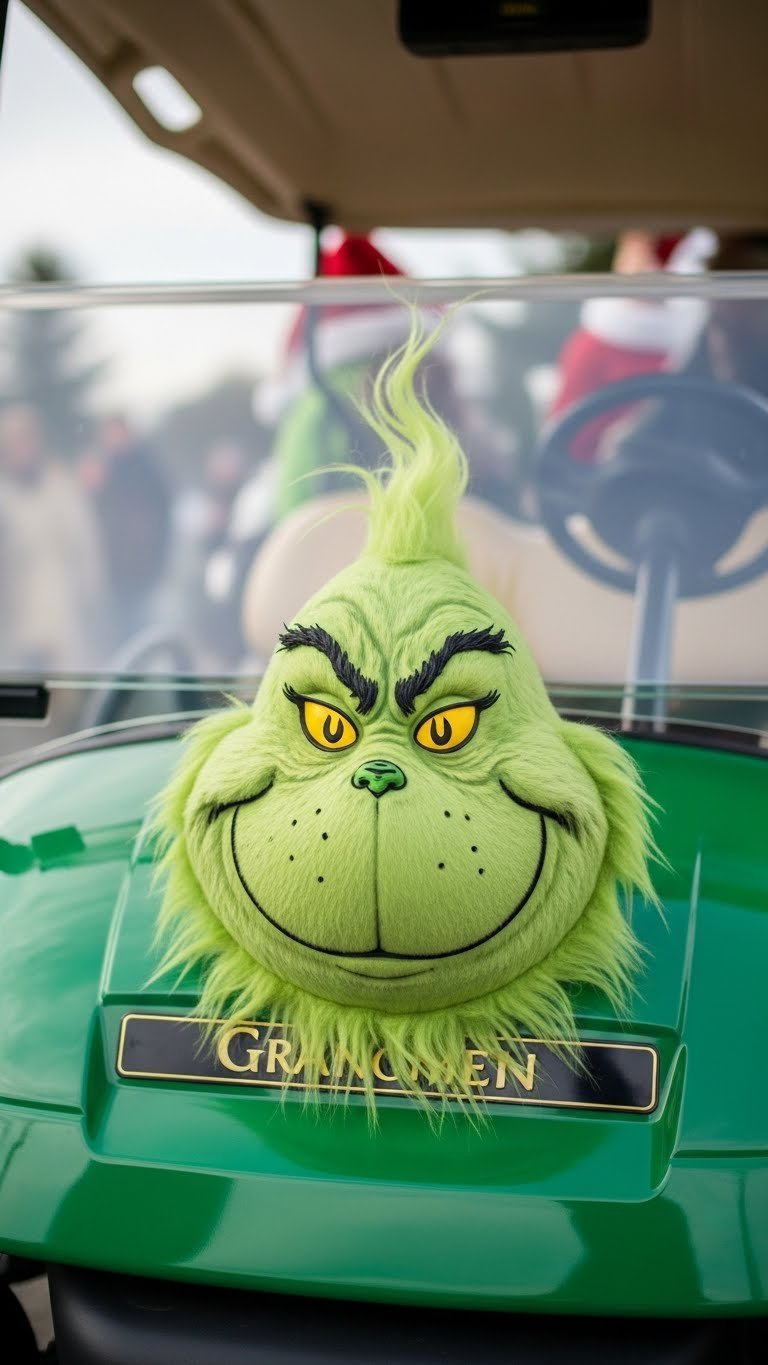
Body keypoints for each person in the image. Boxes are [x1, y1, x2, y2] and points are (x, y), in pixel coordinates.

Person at [0, 401, 103, 673]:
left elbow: (85, 547)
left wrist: (91, 595)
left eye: (25, 439)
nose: (20, 448)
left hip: (62, 620)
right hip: (14, 626)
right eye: (13, 442)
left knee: (65, 699)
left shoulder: (61, 488)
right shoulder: (5, 495)